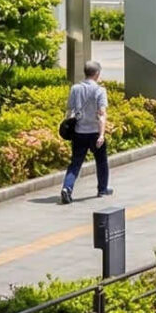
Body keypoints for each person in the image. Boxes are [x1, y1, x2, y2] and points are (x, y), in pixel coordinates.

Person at [60, 60, 110, 205]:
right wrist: (101, 135)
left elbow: (70, 110)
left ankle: (67, 188)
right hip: (94, 132)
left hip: (79, 132)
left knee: (75, 163)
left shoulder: (75, 88)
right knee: (101, 161)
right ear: (97, 74)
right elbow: (101, 114)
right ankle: (102, 189)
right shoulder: (100, 91)